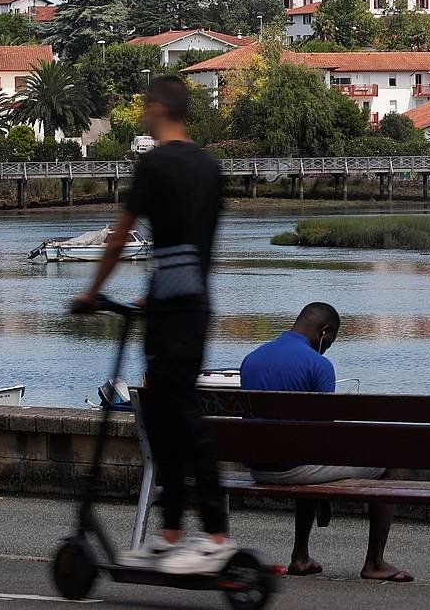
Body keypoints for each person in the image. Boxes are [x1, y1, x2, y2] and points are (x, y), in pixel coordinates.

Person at [72, 75, 234, 575]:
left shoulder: (155, 164)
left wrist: (92, 292)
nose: (143, 112)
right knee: (163, 413)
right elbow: (202, 244)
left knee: (182, 412)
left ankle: (214, 534)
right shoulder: (210, 168)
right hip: (189, 302)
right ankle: (169, 532)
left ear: (160, 107)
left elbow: (121, 236)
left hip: (173, 308)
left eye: (146, 106)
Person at [240, 303, 412, 582]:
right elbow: (324, 437)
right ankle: (375, 563)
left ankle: (301, 557)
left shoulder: (252, 358)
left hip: (258, 469)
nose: (329, 347)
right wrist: (325, 494)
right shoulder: (318, 365)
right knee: (388, 462)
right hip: (294, 470)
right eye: (330, 341)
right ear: (325, 332)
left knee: (302, 452)